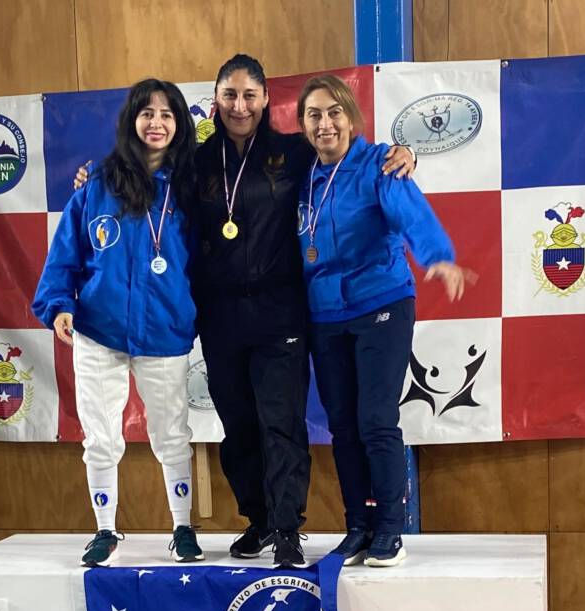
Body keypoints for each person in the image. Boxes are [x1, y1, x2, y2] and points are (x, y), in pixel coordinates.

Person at [72, 57, 414, 569]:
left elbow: (344, 154)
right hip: (220, 313)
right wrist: (92, 174)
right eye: (229, 95)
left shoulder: (293, 151)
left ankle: (287, 529)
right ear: (215, 100)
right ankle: (258, 520)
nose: (239, 106)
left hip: (281, 312)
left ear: (265, 99)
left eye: (250, 95)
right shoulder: (194, 162)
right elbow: (142, 169)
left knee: (282, 423)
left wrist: (402, 152)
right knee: (239, 426)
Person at [297, 74, 467, 567]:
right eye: (314, 115)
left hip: (380, 303)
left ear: (351, 118)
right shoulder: (301, 178)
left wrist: (436, 254)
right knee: (343, 425)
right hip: (325, 313)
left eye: (334, 112)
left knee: (375, 418)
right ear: (303, 125)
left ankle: (391, 527)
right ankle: (358, 526)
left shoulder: (380, 163)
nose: (325, 124)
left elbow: (407, 210)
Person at [32, 79, 203, 567]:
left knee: (171, 434)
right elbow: (67, 252)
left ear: (180, 123)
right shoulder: (98, 184)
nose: (156, 123)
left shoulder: (194, 188)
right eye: (147, 113)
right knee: (101, 436)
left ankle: (183, 528)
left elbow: (210, 262)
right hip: (99, 330)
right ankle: (105, 530)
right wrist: (59, 304)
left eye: (167, 114)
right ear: (131, 121)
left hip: (164, 329)